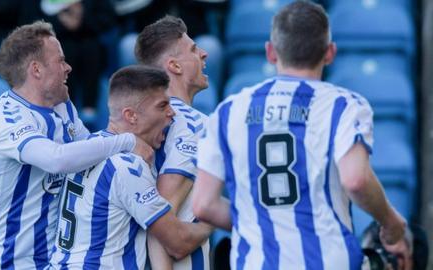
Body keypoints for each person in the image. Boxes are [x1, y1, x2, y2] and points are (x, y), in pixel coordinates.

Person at [191, 1, 413, 270]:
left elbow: (203, 205)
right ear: (330, 53)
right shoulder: (344, 105)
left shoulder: (229, 110)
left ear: (271, 53)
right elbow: (355, 180)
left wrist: (262, 222)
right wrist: (392, 224)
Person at [0, 21, 151, 269]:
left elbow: (87, 149)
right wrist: (127, 140)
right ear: (36, 70)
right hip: (23, 264)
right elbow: (57, 159)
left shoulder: (61, 106)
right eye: (60, 61)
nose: (68, 67)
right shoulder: (8, 118)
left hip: (65, 258)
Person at [49, 65, 211, 269]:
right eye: (162, 106)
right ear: (131, 115)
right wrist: (211, 218)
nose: (172, 113)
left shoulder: (87, 147)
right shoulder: (127, 166)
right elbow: (177, 242)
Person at [135, 15, 212, 269]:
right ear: (175, 66)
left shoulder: (135, 123)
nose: (204, 54)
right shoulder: (192, 124)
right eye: (193, 49)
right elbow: (162, 222)